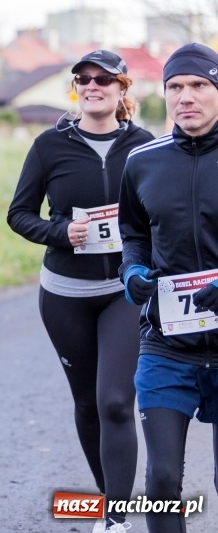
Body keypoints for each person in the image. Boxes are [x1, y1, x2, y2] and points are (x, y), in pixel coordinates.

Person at [7, 50, 155, 533]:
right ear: (76, 88)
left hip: (123, 290)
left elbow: (161, 212)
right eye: (83, 79)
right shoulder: (50, 145)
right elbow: (19, 213)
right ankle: (107, 494)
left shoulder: (144, 145)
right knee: (88, 403)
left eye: (104, 80)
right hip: (65, 293)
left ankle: (115, 518)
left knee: (115, 400)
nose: (93, 86)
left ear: (122, 89)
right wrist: (59, 231)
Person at [118, 42, 218, 533]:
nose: (186, 97)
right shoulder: (143, 161)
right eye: (175, 87)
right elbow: (133, 235)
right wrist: (131, 273)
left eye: (199, 84)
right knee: (159, 482)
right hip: (166, 345)